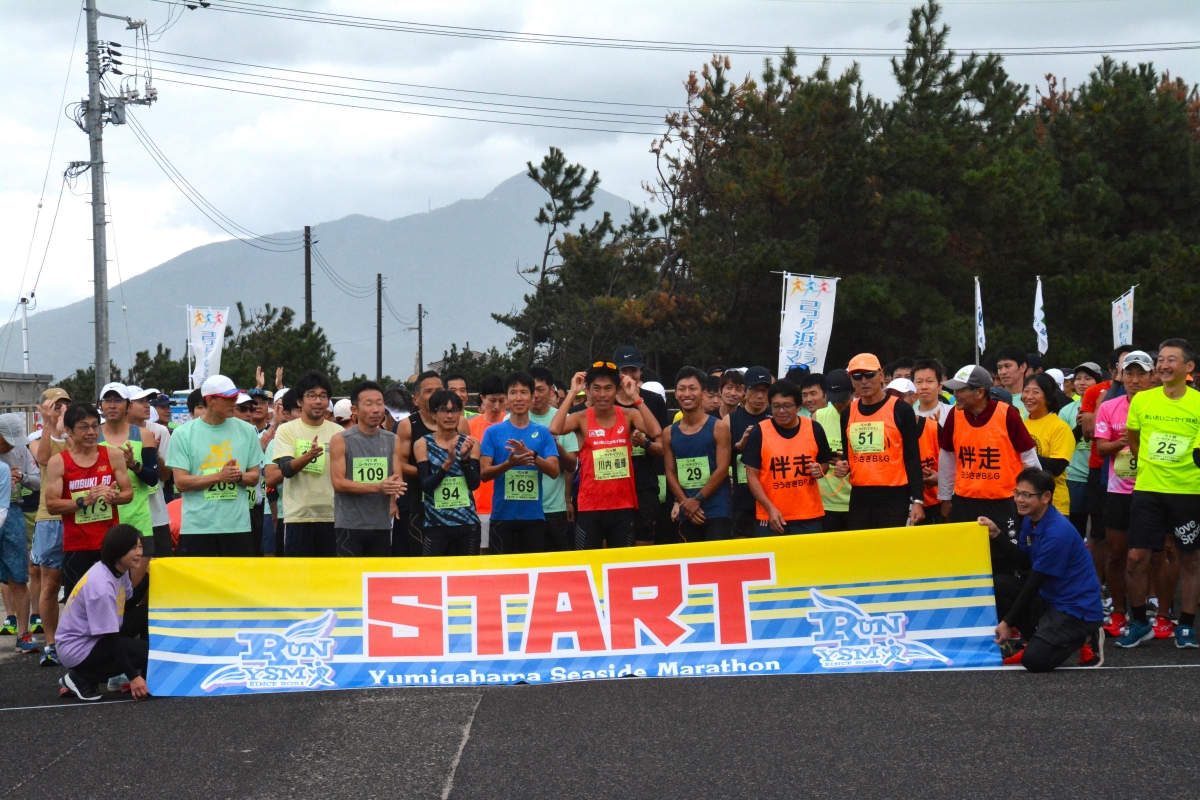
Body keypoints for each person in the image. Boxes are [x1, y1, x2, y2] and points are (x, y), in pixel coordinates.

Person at [1118, 339, 1200, 649]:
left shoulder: (1198, 403)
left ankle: (1187, 625)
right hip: (1148, 489)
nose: (1164, 365)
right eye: (1161, 360)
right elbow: (1135, 440)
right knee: (1136, 558)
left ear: (1188, 367)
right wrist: (1151, 469)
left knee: (1190, 559)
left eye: (1172, 360)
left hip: (1188, 492)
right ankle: (1140, 622)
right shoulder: (1142, 401)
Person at [989, 468, 1104, 671]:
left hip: (1074, 608)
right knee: (1001, 584)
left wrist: (1007, 622)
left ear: (1046, 497)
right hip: (1050, 597)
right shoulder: (1030, 519)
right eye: (1017, 493)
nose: (1019, 500)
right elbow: (1024, 562)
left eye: (1026, 495)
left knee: (1034, 662)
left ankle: (1085, 636)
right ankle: (1034, 639)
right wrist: (998, 535)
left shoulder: (1057, 533)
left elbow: (1034, 582)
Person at [550, 362, 662, 550]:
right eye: (597, 389)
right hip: (590, 506)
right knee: (588, 563)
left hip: (623, 505)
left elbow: (655, 430)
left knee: (621, 566)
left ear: (617, 390)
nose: (602, 395)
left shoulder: (629, 415)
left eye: (608, 388)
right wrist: (571, 393)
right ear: (588, 390)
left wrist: (635, 396)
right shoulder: (581, 417)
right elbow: (555, 428)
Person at [43, 403, 134, 600]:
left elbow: (129, 493)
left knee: (113, 597)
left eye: (95, 426)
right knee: (78, 600)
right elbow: (52, 505)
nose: (92, 432)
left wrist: (115, 497)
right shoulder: (59, 461)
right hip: (77, 544)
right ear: (68, 431)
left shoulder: (113, 455)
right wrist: (84, 501)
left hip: (109, 543)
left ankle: (113, 632)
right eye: (84, 427)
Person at [166, 375, 264, 557]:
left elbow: (254, 477)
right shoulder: (183, 434)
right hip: (197, 527)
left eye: (235, 397)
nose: (234, 402)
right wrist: (220, 476)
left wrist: (237, 476)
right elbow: (180, 482)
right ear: (210, 400)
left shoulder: (248, 431)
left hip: (237, 526)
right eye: (228, 399)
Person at [1094, 350, 1154, 639]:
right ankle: (1118, 611)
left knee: (1153, 554)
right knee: (1117, 554)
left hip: (1154, 488)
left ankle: (1155, 610)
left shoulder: (1160, 407)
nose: (1135, 379)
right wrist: (1124, 441)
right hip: (1118, 490)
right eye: (1129, 373)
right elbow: (1101, 448)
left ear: (1152, 377)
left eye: (1141, 373)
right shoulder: (1110, 406)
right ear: (1121, 376)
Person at [55, 524, 150, 701]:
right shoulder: (101, 587)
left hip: (94, 636)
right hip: (77, 647)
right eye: (133, 548)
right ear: (118, 551)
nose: (139, 552)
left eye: (139, 546)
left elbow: (128, 604)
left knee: (147, 614)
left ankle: (148, 676)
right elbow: (111, 638)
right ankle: (81, 678)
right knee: (144, 652)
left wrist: (149, 577)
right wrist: (133, 677)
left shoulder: (118, 571)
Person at [841, 354, 925, 528]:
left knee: (891, 550)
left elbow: (912, 457)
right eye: (857, 376)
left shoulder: (901, 409)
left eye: (869, 375)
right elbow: (849, 455)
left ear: (881, 375)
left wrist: (918, 500)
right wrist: (843, 465)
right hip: (860, 496)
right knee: (863, 550)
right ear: (851, 381)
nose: (863, 381)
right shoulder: (848, 413)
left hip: (894, 495)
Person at [480, 372, 560, 554]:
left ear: (532, 398)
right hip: (502, 517)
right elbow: (483, 474)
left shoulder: (543, 433)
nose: (518, 398)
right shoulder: (493, 433)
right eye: (513, 393)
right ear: (506, 399)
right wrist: (508, 465)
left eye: (524, 393)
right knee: (501, 574)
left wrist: (532, 456)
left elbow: (554, 471)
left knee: (532, 573)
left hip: (534, 518)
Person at [267, 371, 343, 557]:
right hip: (298, 517)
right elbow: (285, 469)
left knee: (330, 577)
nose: (318, 401)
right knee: (298, 577)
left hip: (332, 516)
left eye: (323, 396)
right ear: (300, 401)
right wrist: (308, 456)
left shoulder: (338, 431)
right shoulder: (286, 430)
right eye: (311, 396)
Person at [743, 380, 833, 535]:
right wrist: (770, 508)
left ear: (798, 407)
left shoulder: (814, 428)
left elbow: (825, 462)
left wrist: (819, 470)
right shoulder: (760, 431)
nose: (781, 411)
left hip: (808, 515)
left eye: (787, 406)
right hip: (770, 516)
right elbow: (751, 475)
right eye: (776, 406)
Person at [396, 372, 470, 556]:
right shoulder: (408, 424)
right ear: (416, 398)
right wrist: (429, 474)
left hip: (457, 506)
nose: (435, 395)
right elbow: (399, 464)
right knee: (423, 561)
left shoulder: (460, 422)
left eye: (439, 390)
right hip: (421, 502)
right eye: (428, 391)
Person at [328, 380, 405, 557]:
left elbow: (397, 479)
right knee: (350, 580)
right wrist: (378, 487)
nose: (376, 409)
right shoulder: (341, 440)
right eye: (368, 404)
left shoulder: (392, 440)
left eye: (379, 403)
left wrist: (394, 497)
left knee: (378, 581)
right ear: (354, 410)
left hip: (381, 523)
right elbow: (338, 483)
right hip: (350, 524)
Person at [612, 346, 673, 546]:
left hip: (644, 481)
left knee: (644, 537)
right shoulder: (606, 402)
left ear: (641, 371)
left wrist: (644, 443)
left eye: (633, 370)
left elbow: (662, 448)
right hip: (613, 481)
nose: (628, 376)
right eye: (623, 371)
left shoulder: (654, 400)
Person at [664, 367, 733, 541]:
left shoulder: (719, 427)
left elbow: (723, 468)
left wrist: (697, 499)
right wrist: (685, 503)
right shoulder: (669, 433)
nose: (686, 394)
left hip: (717, 508)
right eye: (681, 389)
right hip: (686, 510)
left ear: (703, 393)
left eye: (692, 388)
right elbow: (670, 472)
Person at [30, 388, 72, 665]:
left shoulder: (76, 434)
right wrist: (49, 427)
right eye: (55, 405)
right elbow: (44, 458)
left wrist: (67, 429)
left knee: (80, 581)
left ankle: (75, 639)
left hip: (79, 514)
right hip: (49, 517)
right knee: (49, 583)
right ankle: (51, 642)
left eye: (64, 405)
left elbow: (78, 458)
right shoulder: (37, 437)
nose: (60, 409)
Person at [415, 389, 482, 556]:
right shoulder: (423, 444)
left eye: (454, 411)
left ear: (460, 414)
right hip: (436, 524)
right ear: (433, 414)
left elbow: (474, 484)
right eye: (444, 410)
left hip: (467, 523)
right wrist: (448, 463)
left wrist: (465, 460)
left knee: (467, 577)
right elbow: (426, 486)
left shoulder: (471, 443)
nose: (450, 416)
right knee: (432, 577)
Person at [97, 383, 159, 554]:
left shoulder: (143, 435)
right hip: (103, 521)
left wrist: (134, 465)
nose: (112, 405)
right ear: (100, 405)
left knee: (136, 580)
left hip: (138, 520)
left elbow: (153, 478)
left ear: (128, 406)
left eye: (118, 400)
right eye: (107, 400)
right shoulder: (93, 436)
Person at [0, 413, 40, 654]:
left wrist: (22, 478)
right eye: (6, 440)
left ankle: (23, 633)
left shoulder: (22, 451)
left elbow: (38, 481)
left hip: (14, 513)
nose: (10, 445)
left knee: (18, 575)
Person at [528, 367, 579, 552]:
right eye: (530, 390)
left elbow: (571, 465)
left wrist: (555, 445)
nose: (535, 396)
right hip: (524, 509)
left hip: (554, 509)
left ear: (551, 391)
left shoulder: (564, 420)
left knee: (558, 567)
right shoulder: (511, 420)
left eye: (540, 390)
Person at [127, 387, 174, 558]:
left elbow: (165, 476)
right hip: (127, 514)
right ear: (127, 405)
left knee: (160, 569)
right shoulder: (112, 433)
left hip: (156, 514)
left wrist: (155, 454)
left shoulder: (160, 431)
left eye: (147, 401)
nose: (147, 406)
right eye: (140, 401)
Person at [726, 367, 772, 538]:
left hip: (772, 496)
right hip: (742, 499)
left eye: (764, 390)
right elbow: (719, 462)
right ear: (745, 390)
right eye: (754, 390)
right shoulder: (730, 420)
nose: (759, 396)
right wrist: (738, 446)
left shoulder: (776, 418)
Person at [1021, 373, 1075, 516]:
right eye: (1026, 391)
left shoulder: (1059, 427)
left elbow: (1057, 467)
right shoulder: (1022, 425)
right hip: (1025, 504)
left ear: (1049, 398)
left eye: (1036, 392)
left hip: (1053, 504)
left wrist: (1021, 457)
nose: (1029, 396)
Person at [1059, 364, 1099, 538]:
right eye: (1078, 378)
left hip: (1097, 474)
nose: (1082, 383)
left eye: (1088, 378)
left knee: (1098, 527)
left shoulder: (1106, 406)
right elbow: (1063, 443)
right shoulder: (1066, 410)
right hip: (1074, 476)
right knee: (1076, 525)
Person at [468, 376, 506, 551]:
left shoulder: (511, 422)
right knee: (482, 552)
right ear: (482, 399)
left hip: (506, 502)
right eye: (492, 400)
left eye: (501, 400)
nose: (497, 406)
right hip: (480, 501)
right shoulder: (470, 426)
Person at [812, 369, 853, 533]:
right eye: (834, 400)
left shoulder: (862, 415)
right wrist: (824, 458)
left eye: (843, 400)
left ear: (852, 393)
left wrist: (848, 460)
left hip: (854, 500)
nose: (839, 404)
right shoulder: (818, 416)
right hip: (826, 501)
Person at [912, 358, 952, 427]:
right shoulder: (910, 416)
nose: (924, 387)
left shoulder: (951, 412)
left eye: (929, 381)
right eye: (919, 382)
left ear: (939, 385)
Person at [994, 346, 1030, 415]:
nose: (1003, 372)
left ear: (1023, 367)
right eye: (999, 367)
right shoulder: (993, 399)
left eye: (1007, 366)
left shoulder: (1032, 400)